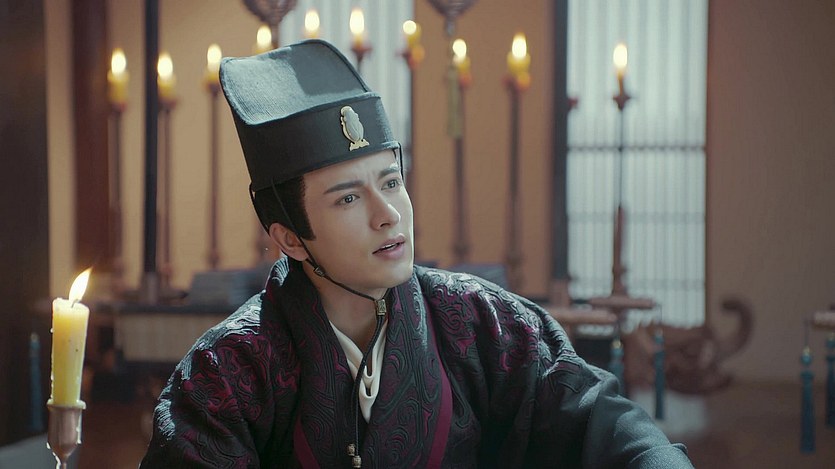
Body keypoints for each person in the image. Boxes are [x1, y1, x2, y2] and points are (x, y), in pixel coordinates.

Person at [141, 39, 693, 468]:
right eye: (349, 198)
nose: (388, 214)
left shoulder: (483, 324)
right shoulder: (228, 370)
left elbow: (601, 424)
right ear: (289, 238)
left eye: (391, 181)